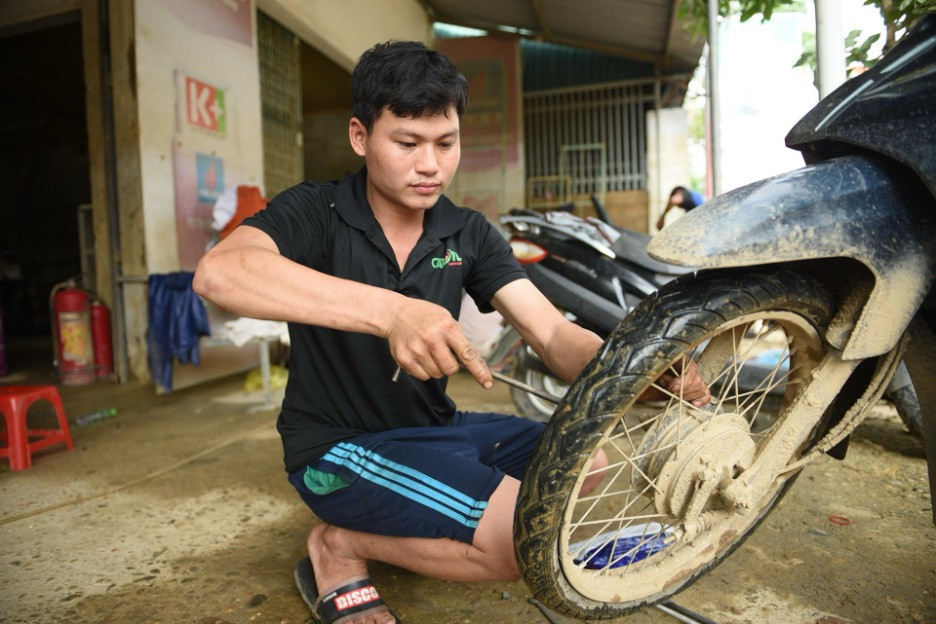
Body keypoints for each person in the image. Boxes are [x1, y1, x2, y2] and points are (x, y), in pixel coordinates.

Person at [193, 40, 710, 624]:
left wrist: (630, 369)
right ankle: (339, 545)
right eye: (407, 144)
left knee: (583, 465)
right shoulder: (318, 211)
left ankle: (409, 518)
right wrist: (392, 312)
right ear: (361, 137)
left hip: (436, 429)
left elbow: (552, 335)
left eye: (447, 143)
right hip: (340, 446)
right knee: (527, 535)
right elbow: (219, 272)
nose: (431, 165)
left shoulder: (467, 232)